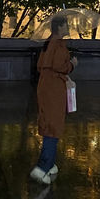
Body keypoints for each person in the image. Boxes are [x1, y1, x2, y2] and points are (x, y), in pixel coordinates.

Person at [30, 15, 77, 185]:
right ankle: (42, 169)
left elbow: (43, 65)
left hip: (45, 88)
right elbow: (60, 67)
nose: (68, 27)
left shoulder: (48, 43)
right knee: (53, 127)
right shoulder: (58, 45)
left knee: (48, 123)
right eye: (66, 25)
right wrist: (72, 64)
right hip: (54, 90)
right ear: (60, 27)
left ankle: (49, 165)